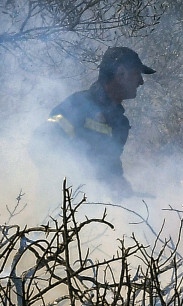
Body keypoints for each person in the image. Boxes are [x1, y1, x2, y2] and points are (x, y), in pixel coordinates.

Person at [34, 47, 155, 197]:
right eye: (137, 74)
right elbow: (40, 142)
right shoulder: (78, 104)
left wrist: (123, 190)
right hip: (62, 202)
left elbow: (109, 168)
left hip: (90, 205)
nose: (141, 82)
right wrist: (73, 177)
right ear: (121, 73)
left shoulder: (120, 123)